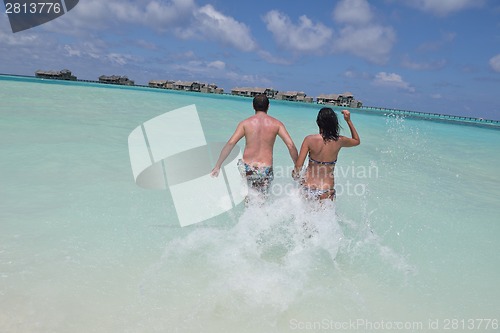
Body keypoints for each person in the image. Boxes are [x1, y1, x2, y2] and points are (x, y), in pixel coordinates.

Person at [211, 94, 298, 196]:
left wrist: (218, 165)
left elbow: (231, 143)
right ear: (268, 106)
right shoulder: (277, 124)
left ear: (253, 106)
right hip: (265, 168)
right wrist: (297, 167)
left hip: (248, 167)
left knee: (249, 199)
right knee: (261, 201)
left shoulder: (245, 123)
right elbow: (290, 145)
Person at [292, 108, 360, 200]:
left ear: (318, 122)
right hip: (327, 190)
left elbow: (298, 166)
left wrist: (295, 176)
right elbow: (356, 141)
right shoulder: (339, 140)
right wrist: (348, 121)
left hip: (308, 187)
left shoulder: (309, 140)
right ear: (334, 123)